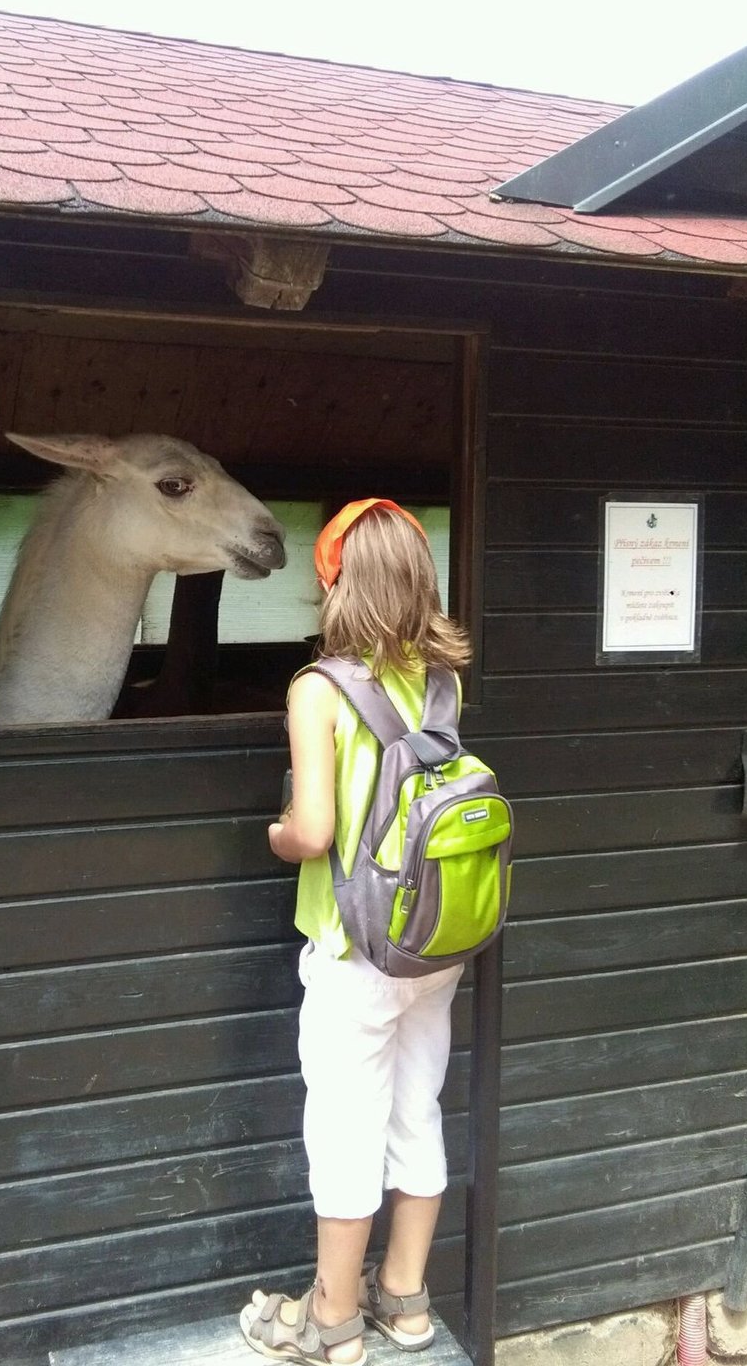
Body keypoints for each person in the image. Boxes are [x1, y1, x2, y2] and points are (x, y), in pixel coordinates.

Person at [239, 499, 472, 1365]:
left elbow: (313, 833)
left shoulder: (318, 689)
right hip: (433, 946)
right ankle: (405, 1302)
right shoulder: (444, 683)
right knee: (417, 1113)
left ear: (333, 579)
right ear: (422, 578)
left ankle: (329, 1319)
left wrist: (272, 833)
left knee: (343, 1127)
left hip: (352, 948)